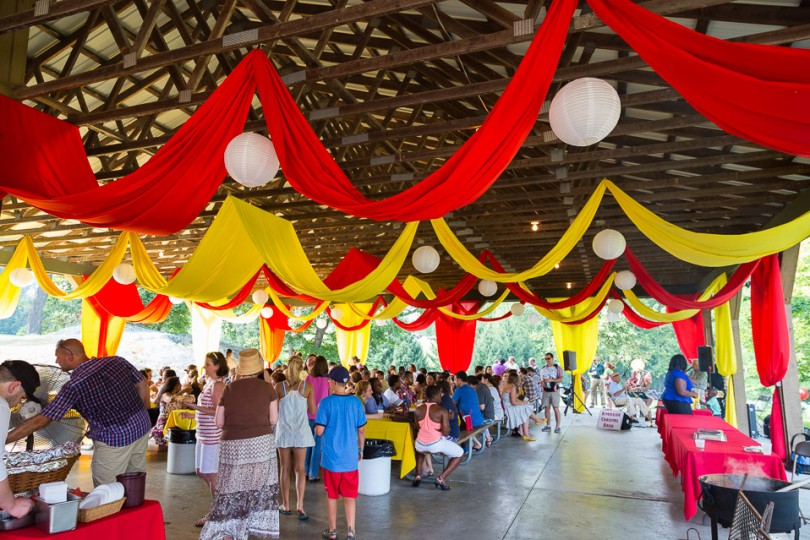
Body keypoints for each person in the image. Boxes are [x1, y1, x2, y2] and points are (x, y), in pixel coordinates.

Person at [7, 339, 151, 487]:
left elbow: (42, 420)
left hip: (114, 439)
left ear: (69, 356)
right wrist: (137, 411)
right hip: (141, 425)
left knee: (107, 488)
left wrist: (4, 439)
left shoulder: (75, 385)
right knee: (135, 478)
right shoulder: (116, 361)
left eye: (58, 357)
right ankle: (134, 500)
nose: (56, 361)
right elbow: (142, 383)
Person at [200, 348, 279, 540]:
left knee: (230, 488)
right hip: (261, 444)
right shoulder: (268, 388)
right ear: (258, 368)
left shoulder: (229, 388)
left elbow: (219, 421)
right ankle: (252, 526)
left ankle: (227, 531)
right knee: (258, 488)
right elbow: (274, 420)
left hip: (231, 445)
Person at [314, 366, 366, 540]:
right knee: (350, 496)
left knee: (332, 496)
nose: (328, 382)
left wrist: (317, 426)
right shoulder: (356, 402)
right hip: (350, 459)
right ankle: (351, 531)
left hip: (331, 460)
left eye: (329, 380)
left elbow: (319, 431)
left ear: (334, 382)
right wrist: (360, 449)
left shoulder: (325, 403)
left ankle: (333, 531)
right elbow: (361, 430)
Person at [183, 351, 228, 528]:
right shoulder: (209, 382)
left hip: (212, 437)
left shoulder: (218, 385)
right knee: (201, 472)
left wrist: (194, 407)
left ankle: (218, 512)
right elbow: (207, 409)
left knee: (211, 474)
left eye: (208, 364)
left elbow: (218, 411)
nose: (205, 366)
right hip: (203, 434)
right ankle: (219, 507)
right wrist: (193, 414)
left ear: (217, 366)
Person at [274, 355, 315, 521]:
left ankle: (286, 504)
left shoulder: (279, 387)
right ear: (301, 369)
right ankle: (300, 505)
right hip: (301, 431)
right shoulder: (307, 387)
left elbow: (274, 412)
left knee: (285, 468)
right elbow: (313, 411)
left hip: (284, 430)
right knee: (300, 469)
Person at [0, 361, 41, 518]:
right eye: (22, 398)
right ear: (14, 386)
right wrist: (10, 504)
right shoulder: (1, 405)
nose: (18, 404)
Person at [413, 386, 464, 490]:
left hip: (419, 444)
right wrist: (448, 419)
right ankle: (441, 478)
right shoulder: (441, 410)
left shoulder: (418, 410)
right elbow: (446, 432)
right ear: (435, 396)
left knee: (420, 450)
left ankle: (417, 475)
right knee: (460, 453)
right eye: (439, 395)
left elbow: (418, 427)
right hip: (435, 445)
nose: (441, 397)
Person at [305, 355, 330, 482]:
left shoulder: (308, 378)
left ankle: (305, 471)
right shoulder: (326, 381)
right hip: (320, 417)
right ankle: (313, 474)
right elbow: (327, 399)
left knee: (307, 445)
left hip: (307, 415)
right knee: (317, 447)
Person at [501, 372, 542, 441]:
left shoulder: (506, 385)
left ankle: (523, 430)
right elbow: (513, 402)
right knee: (525, 410)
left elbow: (515, 399)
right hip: (509, 408)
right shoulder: (512, 387)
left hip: (507, 406)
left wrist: (524, 403)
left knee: (525, 407)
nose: (520, 380)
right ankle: (528, 431)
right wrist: (524, 403)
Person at [539, 352, 563, 433]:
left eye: (548, 358)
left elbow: (561, 379)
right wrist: (541, 383)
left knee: (555, 408)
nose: (547, 360)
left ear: (552, 358)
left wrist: (551, 380)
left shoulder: (557, 368)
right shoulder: (543, 368)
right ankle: (548, 425)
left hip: (554, 391)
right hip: (546, 390)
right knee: (546, 408)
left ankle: (558, 426)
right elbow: (541, 379)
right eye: (545, 359)